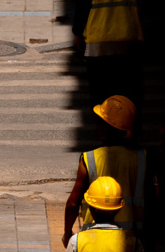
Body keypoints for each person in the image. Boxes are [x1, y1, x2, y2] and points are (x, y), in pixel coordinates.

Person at [62, 94, 154, 243]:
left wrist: (67, 234)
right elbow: (151, 200)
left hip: (94, 239)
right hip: (133, 239)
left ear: (105, 128)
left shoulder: (89, 159)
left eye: (101, 122)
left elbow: (73, 203)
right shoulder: (142, 158)